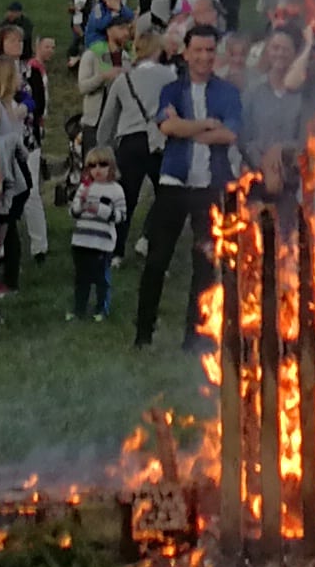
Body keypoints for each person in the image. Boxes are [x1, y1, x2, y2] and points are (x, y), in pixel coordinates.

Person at [131, 29, 242, 351]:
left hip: (210, 186)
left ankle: (194, 336)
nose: (205, 56)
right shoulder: (172, 90)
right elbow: (167, 126)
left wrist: (187, 129)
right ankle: (143, 334)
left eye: (210, 50)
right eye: (199, 50)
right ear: (186, 53)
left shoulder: (227, 92)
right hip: (174, 184)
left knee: (204, 263)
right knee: (156, 260)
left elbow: (230, 135)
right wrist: (208, 124)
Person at [66, 148, 125, 321]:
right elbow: (73, 212)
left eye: (103, 164)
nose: (97, 169)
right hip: (81, 240)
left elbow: (121, 216)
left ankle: (102, 309)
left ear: (111, 167)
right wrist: (80, 205)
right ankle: (79, 309)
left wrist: (100, 209)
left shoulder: (116, 190)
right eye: (92, 165)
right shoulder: (85, 187)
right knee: (81, 279)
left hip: (102, 242)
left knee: (101, 279)